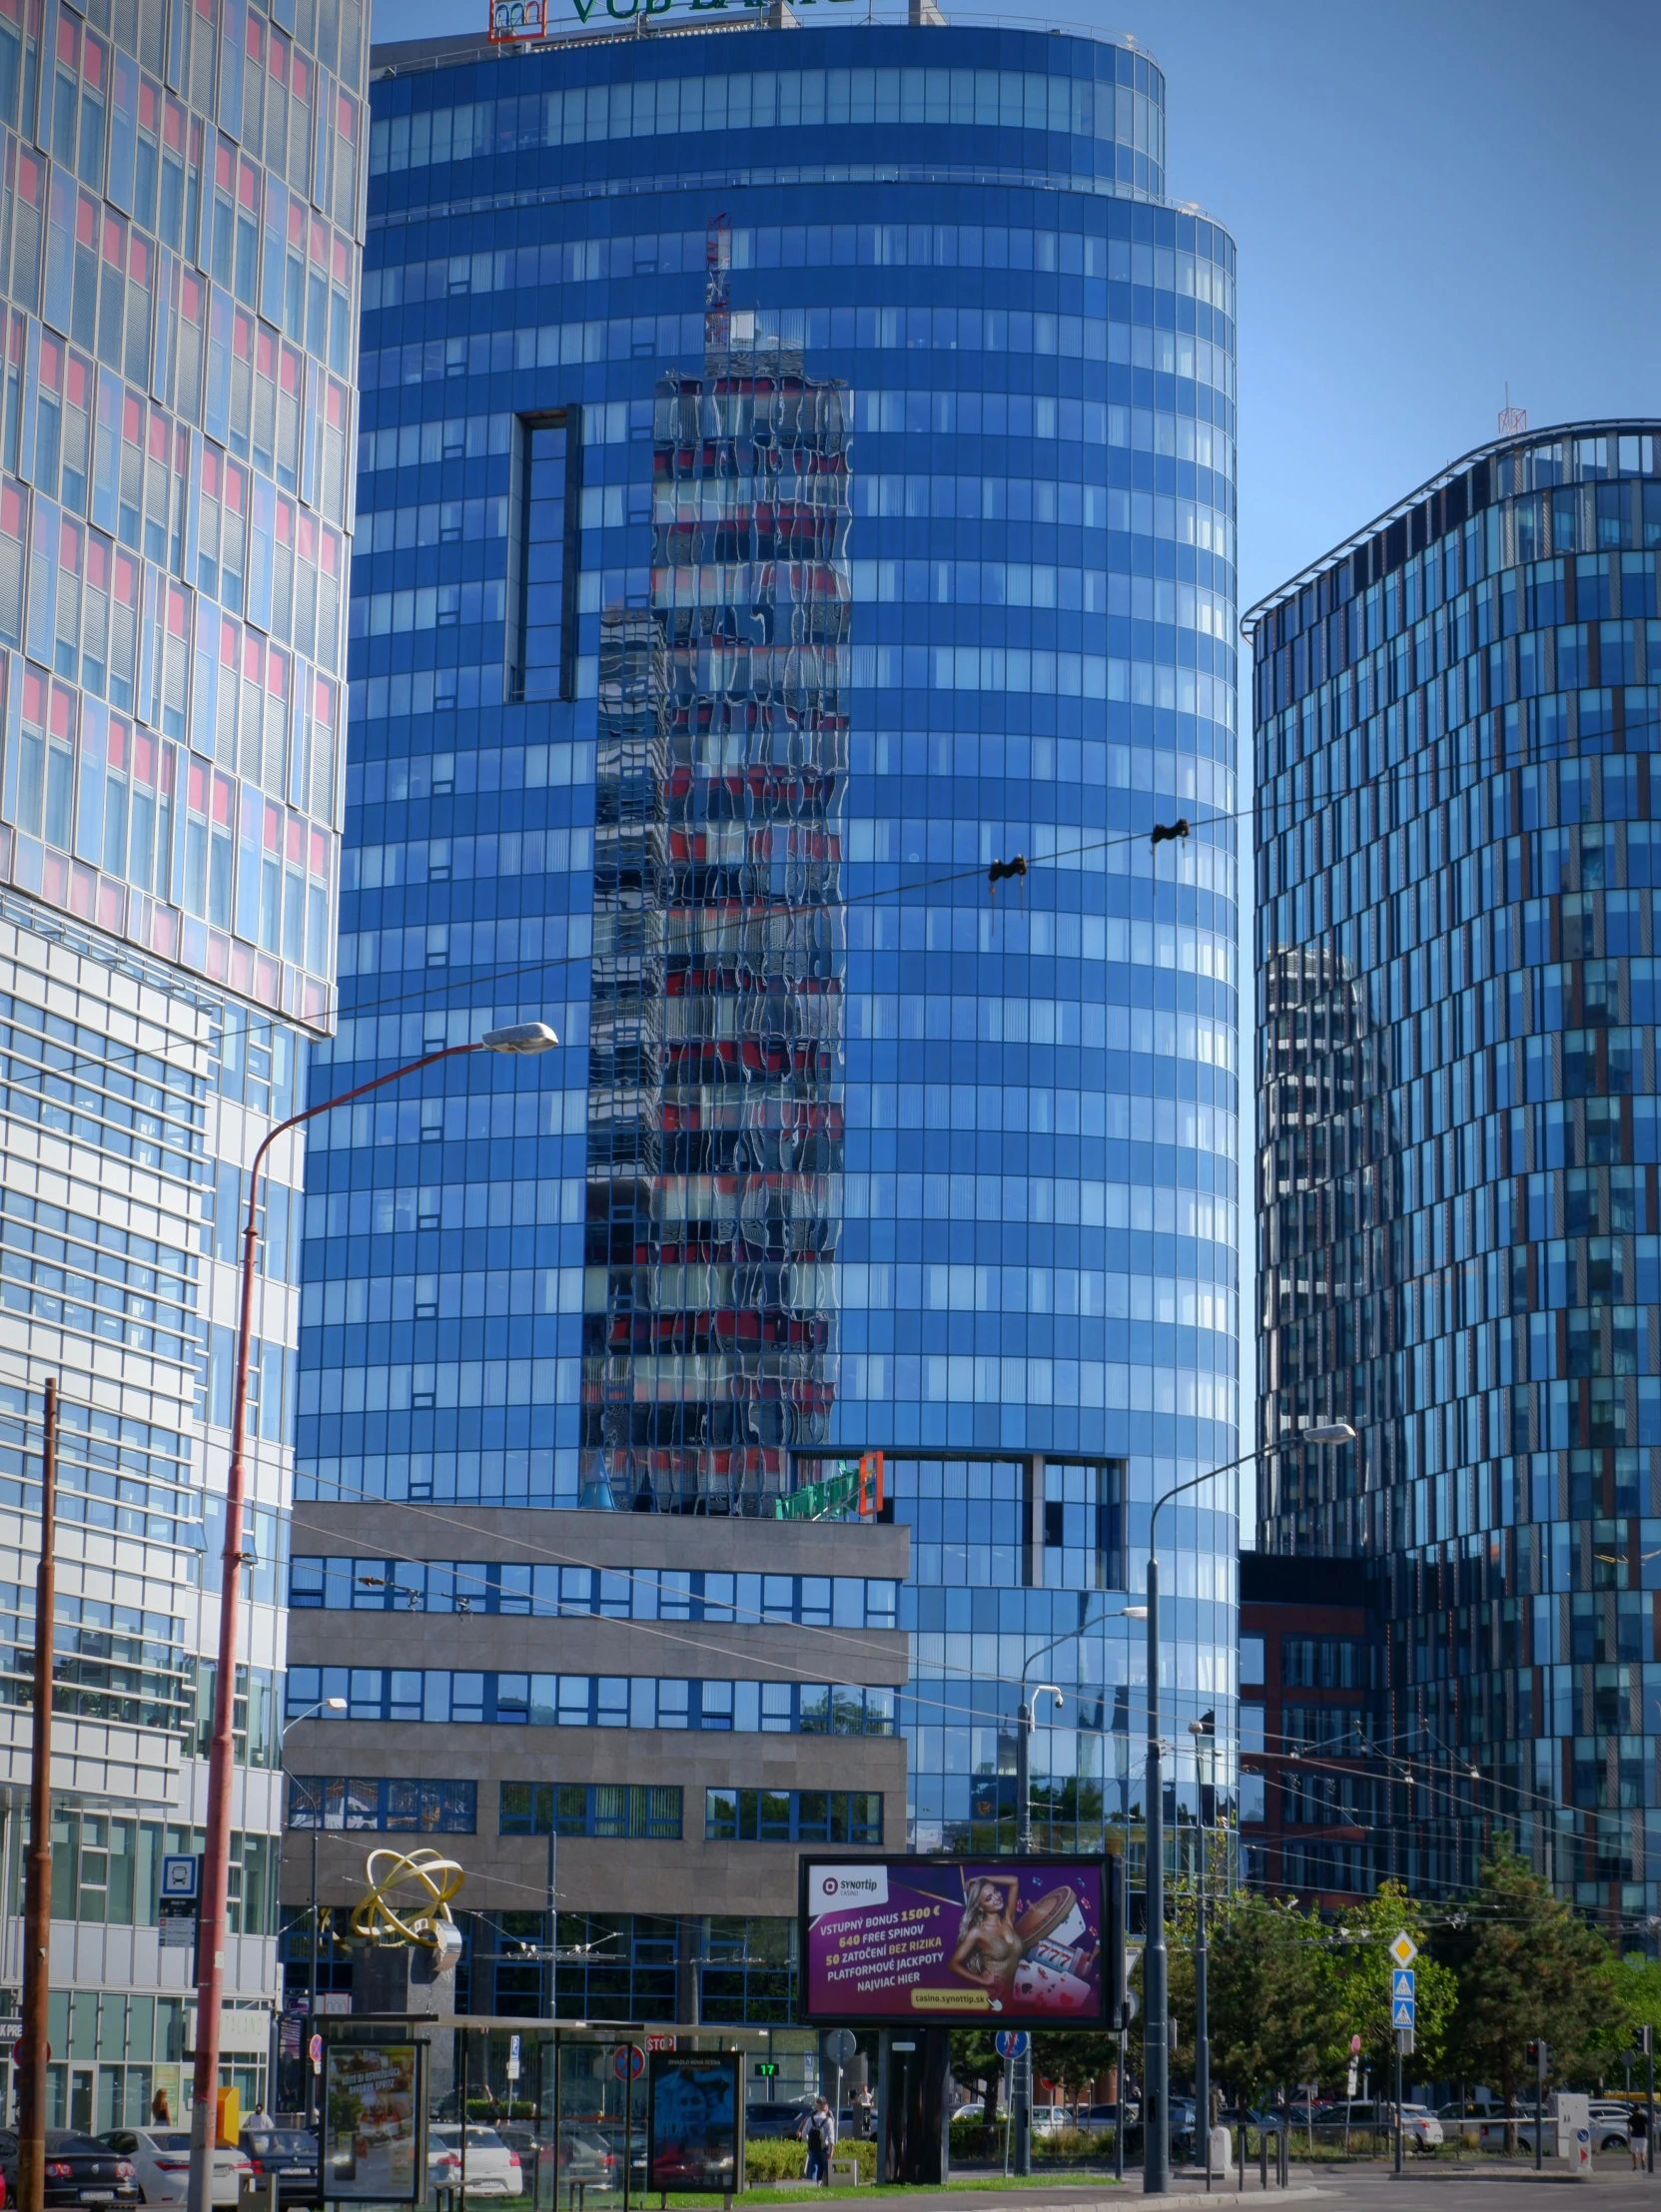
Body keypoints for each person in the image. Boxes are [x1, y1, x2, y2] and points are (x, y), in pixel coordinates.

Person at [805, 2097, 835, 2184]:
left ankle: (812, 2187)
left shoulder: (810, 2119)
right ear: (826, 2109)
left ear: (818, 2108)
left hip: (812, 2149)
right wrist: (831, 2152)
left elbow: (804, 2134)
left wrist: (810, 2141)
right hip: (824, 2149)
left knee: (813, 2169)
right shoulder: (828, 2120)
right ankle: (830, 2186)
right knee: (827, 2169)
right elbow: (831, 2138)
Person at [1631, 2103, 1648, 2171]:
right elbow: (1648, 2125)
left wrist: (1629, 2137)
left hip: (1634, 2135)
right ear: (1639, 2109)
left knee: (1634, 2151)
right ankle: (1643, 2159)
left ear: (1634, 2109)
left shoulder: (1632, 2117)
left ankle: (1635, 2166)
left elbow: (1629, 2127)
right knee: (1643, 2150)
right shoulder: (1643, 2117)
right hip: (1642, 2136)